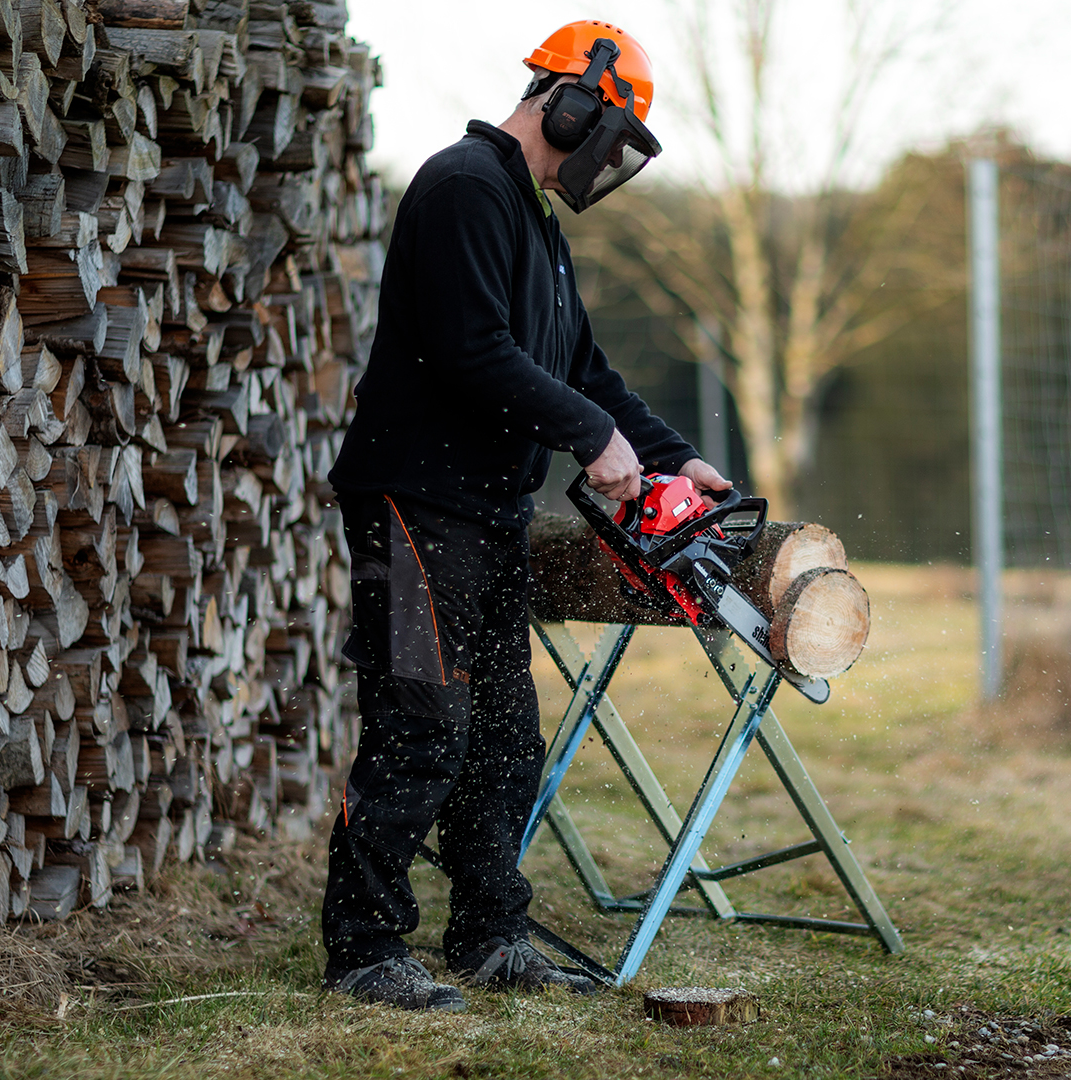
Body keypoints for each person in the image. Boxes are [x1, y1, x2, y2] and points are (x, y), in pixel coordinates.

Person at [319, 20, 727, 1012]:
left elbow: (583, 368)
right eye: (609, 130)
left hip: (486, 510)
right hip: (417, 505)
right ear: (573, 103)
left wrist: (675, 458)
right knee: (422, 729)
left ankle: (491, 934)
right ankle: (366, 951)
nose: (608, 157)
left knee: (505, 739)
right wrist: (592, 439)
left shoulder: (536, 222)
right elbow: (471, 349)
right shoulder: (464, 186)